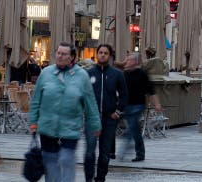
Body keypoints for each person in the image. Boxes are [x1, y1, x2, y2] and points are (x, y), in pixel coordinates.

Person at [29, 42, 101, 182]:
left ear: (72, 57)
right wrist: (33, 121)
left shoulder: (82, 76)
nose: (60, 56)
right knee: (50, 161)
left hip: (70, 127)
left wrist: (95, 125)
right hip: (48, 126)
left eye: (64, 54)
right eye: (58, 53)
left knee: (66, 158)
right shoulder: (46, 73)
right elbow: (36, 100)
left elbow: (90, 103)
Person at [84, 44, 128, 182]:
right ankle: (89, 177)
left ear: (110, 56)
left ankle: (100, 178)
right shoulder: (89, 73)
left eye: (106, 53)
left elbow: (124, 95)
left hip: (109, 118)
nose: (103, 55)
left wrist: (118, 112)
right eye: (101, 52)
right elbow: (82, 94)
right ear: (97, 54)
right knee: (90, 151)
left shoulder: (117, 74)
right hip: (92, 118)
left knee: (105, 151)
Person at [122, 52, 161, 162]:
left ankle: (132, 150)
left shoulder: (142, 74)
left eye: (129, 60)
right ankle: (138, 152)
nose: (127, 62)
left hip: (138, 105)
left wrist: (157, 104)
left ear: (134, 62)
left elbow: (151, 90)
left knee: (132, 127)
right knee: (134, 130)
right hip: (127, 106)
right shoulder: (124, 74)